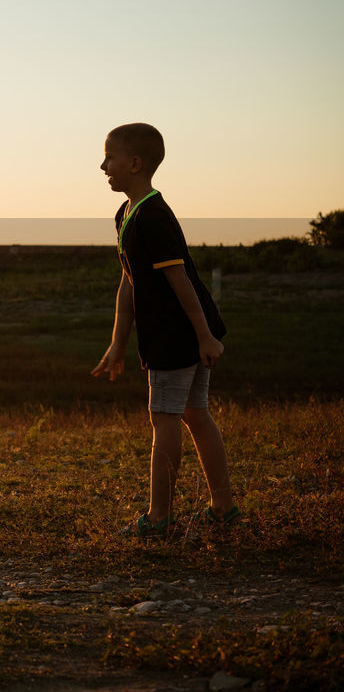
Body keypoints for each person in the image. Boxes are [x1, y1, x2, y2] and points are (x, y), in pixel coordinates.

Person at [91, 122, 240, 538]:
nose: (103, 165)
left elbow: (181, 280)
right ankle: (223, 507)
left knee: (166, 417)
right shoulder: (126, 215)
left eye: (110, 157)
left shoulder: (154, 216)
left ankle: (159, 518)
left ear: (135, 164)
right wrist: (117, 344)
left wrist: (204, 336)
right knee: (194, 412)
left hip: (178, 335)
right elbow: (129, 281)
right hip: (178, 333)